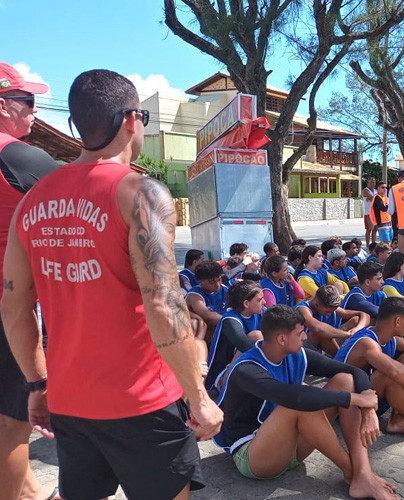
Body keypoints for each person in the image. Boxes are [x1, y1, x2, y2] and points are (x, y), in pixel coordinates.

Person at [1, 69, 222, 499]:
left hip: (69, 400)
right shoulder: (141, 193)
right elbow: (163, 304)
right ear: (130, 120)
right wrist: (198, 397)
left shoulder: (32, 201)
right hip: (143, 402)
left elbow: (13, 306)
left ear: (76, 125)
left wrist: (37, 384)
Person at [214, 305, 397, 499]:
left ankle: (363, 473)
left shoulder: (295, 354)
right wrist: (355, 398)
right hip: (253, 456)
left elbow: (354, 371)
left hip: (288, 448)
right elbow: (296, 398)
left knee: (344, 380)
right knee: (299, 403)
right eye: (300, 333)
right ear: (282, 339)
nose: (305, 338)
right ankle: (355, 473)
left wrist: (368, 409)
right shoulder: (247, 370)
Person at [0, 61, 60, 500]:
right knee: (13, 420)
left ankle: (27, 489)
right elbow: (84, 194)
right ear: (4, 106)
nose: (36, 111)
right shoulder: (17, 156)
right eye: (29, 101)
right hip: (8, 309)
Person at [335, 297, 404, 437]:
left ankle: (399, 419)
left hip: (367, 399)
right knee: (387, 374)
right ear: (397, 321)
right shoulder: (367, 343)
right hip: (345, 407)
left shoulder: (389, 338)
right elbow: (395, 371)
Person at [204, 282, 264, 391]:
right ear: (246, 303)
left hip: (244, 363)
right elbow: (246, 347)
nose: (264, 302)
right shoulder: (230, 320)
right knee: (256, 336)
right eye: (259, 300)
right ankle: (226, 380)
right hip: (222, 371)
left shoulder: (258, 312)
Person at [295, 285, 370, 357]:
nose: (329, 314)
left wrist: (355, 330)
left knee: (355, 320)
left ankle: (344, 356)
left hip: (328, 342)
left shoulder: (328, 307)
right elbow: (317, 328)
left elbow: (364, 315)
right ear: (317, 305)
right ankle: (341, 359)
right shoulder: (303, 309)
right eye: (327, 312)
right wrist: (346, 334)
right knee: (320, 333)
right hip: (304, 348)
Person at [362, 177, 377, 248]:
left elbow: (378, 199)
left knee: (375, 229)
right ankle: (368, 245)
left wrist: (374, 198)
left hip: (375, 212)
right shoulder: (365, 190)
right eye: (371, 182)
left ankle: (373, 244)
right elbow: (373, 198)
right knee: (369, 229)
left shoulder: (375, 191)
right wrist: (374, 198)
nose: (373, 183)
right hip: (368, 213)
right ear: (368, 183)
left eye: (374, 182)